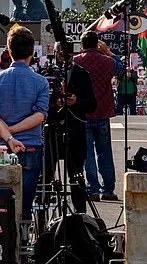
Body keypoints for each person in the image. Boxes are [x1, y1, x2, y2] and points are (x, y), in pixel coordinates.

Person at [0, 25, 50, 220]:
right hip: (30, 145)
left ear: (9, 50)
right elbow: (40, 116)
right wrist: (14, 131)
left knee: (2, 203)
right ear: (32, 52)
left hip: (3, 147)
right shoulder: (40, 82)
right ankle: (23, 238)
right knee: (26, 203)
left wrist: (8, 135)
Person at [40, 42, 96, 213]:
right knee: (46, 175)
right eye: (59, 53)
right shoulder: (46, 74)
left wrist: (76, 101)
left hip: (75, 130)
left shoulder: (82, 74)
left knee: (76, 176)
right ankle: (42, 213)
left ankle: (81, 216)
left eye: (67, 53)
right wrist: (53, 102)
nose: (63, 56)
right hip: (51, 129)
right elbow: (37, 104)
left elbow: (92, 105)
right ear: (54, 52)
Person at [72, 32, 119, 201]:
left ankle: (93, 189)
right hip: (103, 111)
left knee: (88, 154)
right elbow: (120, 67)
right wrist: (108, 52)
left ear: (82, 45)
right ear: (97, 45)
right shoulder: (107, 62)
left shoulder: (77, 61)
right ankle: (108, 188)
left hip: (83, 112)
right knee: (105, 152)